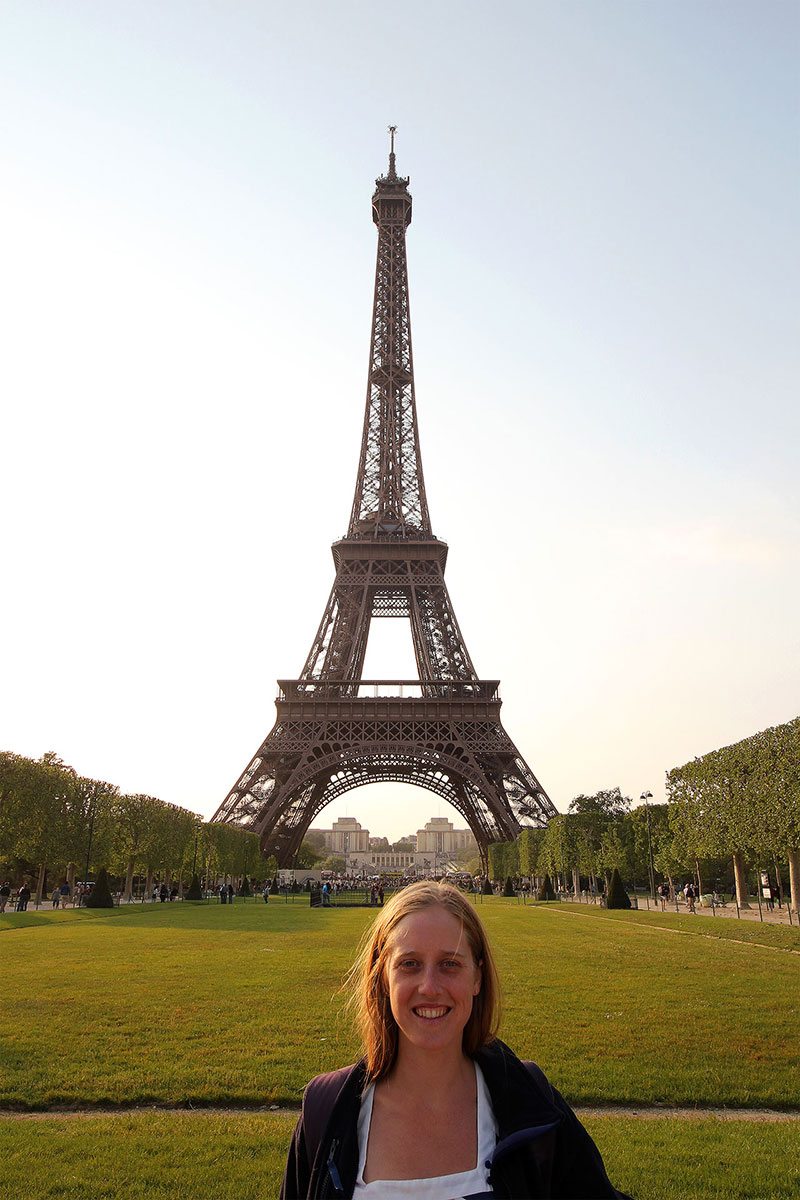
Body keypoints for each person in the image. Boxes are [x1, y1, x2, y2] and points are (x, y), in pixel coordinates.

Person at [281, 881, 631, 1199]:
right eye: (409, 964)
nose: (430, 987)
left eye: (450, 964)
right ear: (383, 979)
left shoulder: (532, 1098)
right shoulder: (324, 1110)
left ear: (478, 978)